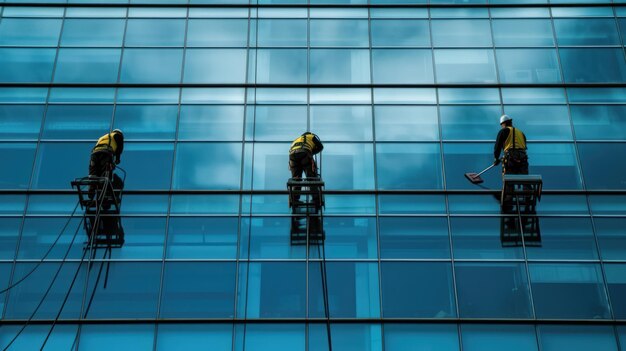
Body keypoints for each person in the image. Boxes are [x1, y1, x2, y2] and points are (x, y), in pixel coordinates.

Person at [88, 129, 124, 198]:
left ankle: (91, 190)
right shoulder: (117, 135)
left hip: (94, 154)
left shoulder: (103, 137)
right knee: (105, 171)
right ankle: (104, 192)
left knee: (93, 172)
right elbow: (119, 147)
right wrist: (117, 159)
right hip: (105, 152)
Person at [289, 132, 324, 202]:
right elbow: (320, 147)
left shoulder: (296, 139)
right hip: (304, 152)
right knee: (311, 177)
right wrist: (311, 152)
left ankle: (295, 199)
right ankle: (316, 198)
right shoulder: (311, 136)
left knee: (296, 178)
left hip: (292, 155)